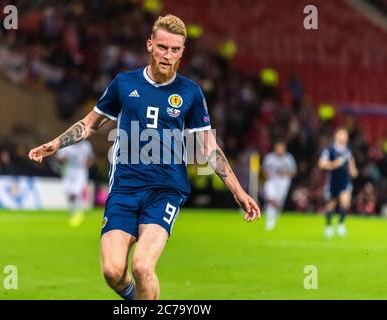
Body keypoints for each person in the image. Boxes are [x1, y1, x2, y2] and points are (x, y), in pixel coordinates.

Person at [28, 14, 260, 300]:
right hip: (125, 188)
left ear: (182, 52)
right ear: (150, 45)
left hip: (165, 190)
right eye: (163, 47)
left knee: (141, 265)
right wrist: (55, 143)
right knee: (113, 271)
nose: (168, 55)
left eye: (175, 50)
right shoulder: (124, 83)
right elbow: (90, 124)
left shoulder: (190, 92)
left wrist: (238, 192)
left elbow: (209, 147)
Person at [318, 128, 358, 239]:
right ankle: (329, 226)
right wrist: (333, 164)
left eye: (346, 135)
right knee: (330, 205)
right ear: (336, 136)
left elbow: (352, 168)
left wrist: (354, 171)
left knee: (345, 202)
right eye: (342, 135)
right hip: (332, 181)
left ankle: (341, 224)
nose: (344, 137)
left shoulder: (348, 152)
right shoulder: (330, 150)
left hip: (344, 181)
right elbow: (321, 164)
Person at [56, 140, 94, 227]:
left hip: (81, 172)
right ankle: (74, 212)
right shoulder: (66, 145)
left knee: (75, 192)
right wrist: (63, 159)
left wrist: (88, 164)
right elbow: (59, 159)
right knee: (68, 193)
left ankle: (79, 213)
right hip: (68, 171)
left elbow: (91, 157)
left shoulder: (86, 145)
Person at [262, 141, 297, 231]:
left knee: (278, 202)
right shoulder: (269, 157)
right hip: (271, 181)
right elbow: (264, 170)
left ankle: (273, 216)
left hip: (283, 182)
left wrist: (285, 173)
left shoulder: (288, 158)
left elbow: (294, 172)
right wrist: (267, 176)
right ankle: (270, 221)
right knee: (271, 199)